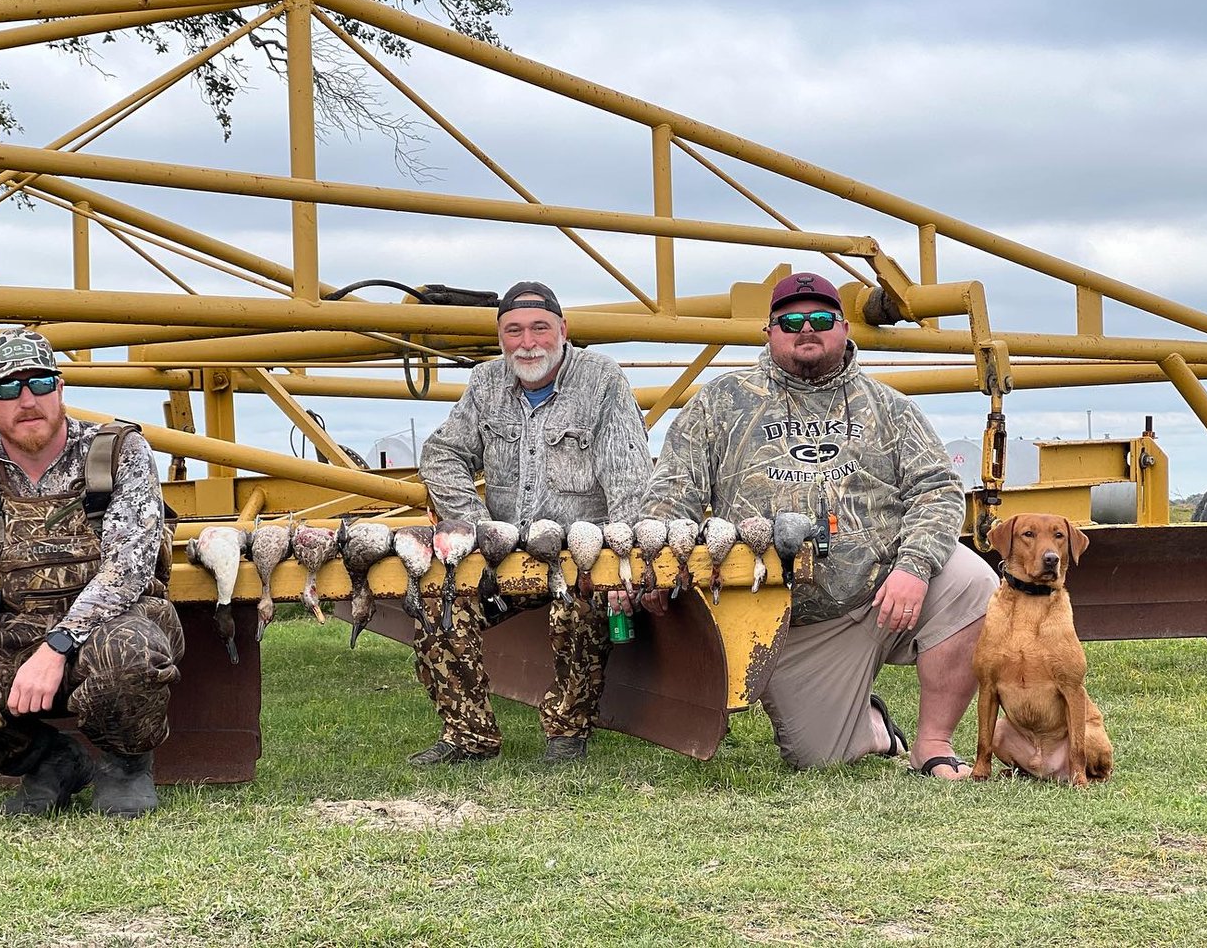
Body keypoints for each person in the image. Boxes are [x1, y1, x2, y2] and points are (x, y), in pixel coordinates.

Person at [638, 271, 997, 779]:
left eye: (821, 319)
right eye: (791, 322)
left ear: (845, 327)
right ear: (769, 332)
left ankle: (932, 743)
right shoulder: (720, 403)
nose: (807, 329)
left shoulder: (890, 408)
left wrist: (914, 568)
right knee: (817, 757)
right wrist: (656, 565)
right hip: (792, 621)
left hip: (885, 590)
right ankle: (871, 725)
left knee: (976, 584)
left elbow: (938, 490)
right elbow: (671, 493)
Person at [0, 328, 183, 816]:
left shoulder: (119, 453)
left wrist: (58, 646)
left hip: (122, 616)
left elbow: (129, 567)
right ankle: (52, 762)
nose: (27, 400)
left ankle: (127, 764)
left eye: (40, 383)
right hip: (19, 623)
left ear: (60, 388)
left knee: (126, 658)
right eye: (9, 388)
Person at [415, 281, 653, 766]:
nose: (528, 343)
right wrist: (479, 528)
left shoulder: (601, 380)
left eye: (540, 329)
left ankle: (567, 733)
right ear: (501, 338)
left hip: (578, 553)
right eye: (514, 331)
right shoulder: (485, 384)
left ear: (563, 330)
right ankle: (469, 736)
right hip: (502, 556)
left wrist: (622, 567)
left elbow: (629, 478)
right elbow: (442, 454)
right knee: (436, 604)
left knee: (579, 610)